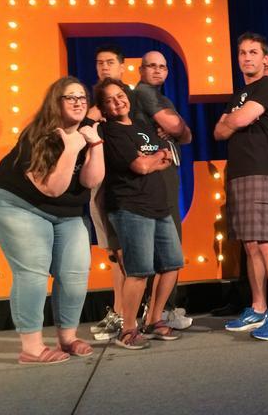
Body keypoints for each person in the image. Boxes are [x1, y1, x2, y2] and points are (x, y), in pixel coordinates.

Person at [0, 76, 105, 364]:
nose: (78, 102)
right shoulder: (37, 135)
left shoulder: (87, 132)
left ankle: (67, 337)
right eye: (70, 97)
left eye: (82, 97)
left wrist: (96, 144)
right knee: (33, 271)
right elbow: (52, 188)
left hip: (66, 212)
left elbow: (91, 181)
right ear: (56, 102)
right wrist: (71, 149)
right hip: (18, 204)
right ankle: (32, 347)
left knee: (75, 272)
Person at [214, 31, 268, 341]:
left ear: (264, 58)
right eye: (242, 53)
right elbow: (218, 131)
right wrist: (237, 118)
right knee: (250, 244)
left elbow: (233, 122)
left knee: (267, 241)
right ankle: (259, 307)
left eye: (253, 52)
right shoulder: (240, 93)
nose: (247, 57)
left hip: (260, 170)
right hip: (238, 172)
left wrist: (235, 119)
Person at [95, 77, 184, 348]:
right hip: (130, 208)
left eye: (120, 95)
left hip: (159, 205)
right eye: (110, 100)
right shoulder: (110, 131)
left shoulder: (142, 126)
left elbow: (166, 157)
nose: (117, 102)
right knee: (139, 271)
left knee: (172, 264)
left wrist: (153, 159)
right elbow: (141, 166)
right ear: (104, 108)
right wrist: (154, 160)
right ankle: (128, 329)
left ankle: (154, 320)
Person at [134, 50, 193, 330]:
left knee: (169, 242)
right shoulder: (144, 93)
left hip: (167, 173)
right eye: (152, 66)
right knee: (165, 245)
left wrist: (177, 129)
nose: (158, 71)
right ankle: (160, 310)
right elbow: (176, 125)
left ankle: (161, 309)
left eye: (163, 67)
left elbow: (187, 135)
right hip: (153, 174)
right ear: (141, 70)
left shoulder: (162, 98)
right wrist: (175, 127)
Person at [87, 44, 129, 341]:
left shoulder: (130, 101)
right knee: (113, 253)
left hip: (125, 184)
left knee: (125, 252)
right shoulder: (91, 105)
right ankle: (119, 310)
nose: (104, 67)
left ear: (122, 66)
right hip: (100, 185)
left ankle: (129, 313)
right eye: (100, 62)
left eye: (110, 62)